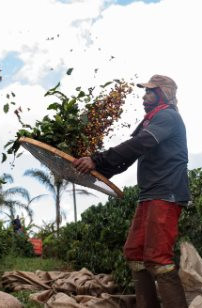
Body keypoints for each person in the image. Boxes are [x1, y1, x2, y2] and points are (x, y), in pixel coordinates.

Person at [73, 74, 189, 307]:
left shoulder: (167, 117)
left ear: (162, 94)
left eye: (149, 92)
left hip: (166, 194)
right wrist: (100, 170)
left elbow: (138, 144)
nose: (144, 97)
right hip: (149, 194)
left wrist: (97, 159)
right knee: (135, 253)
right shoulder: (151, 120)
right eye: (144, 92)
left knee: (158, 258)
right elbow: (130, 157)